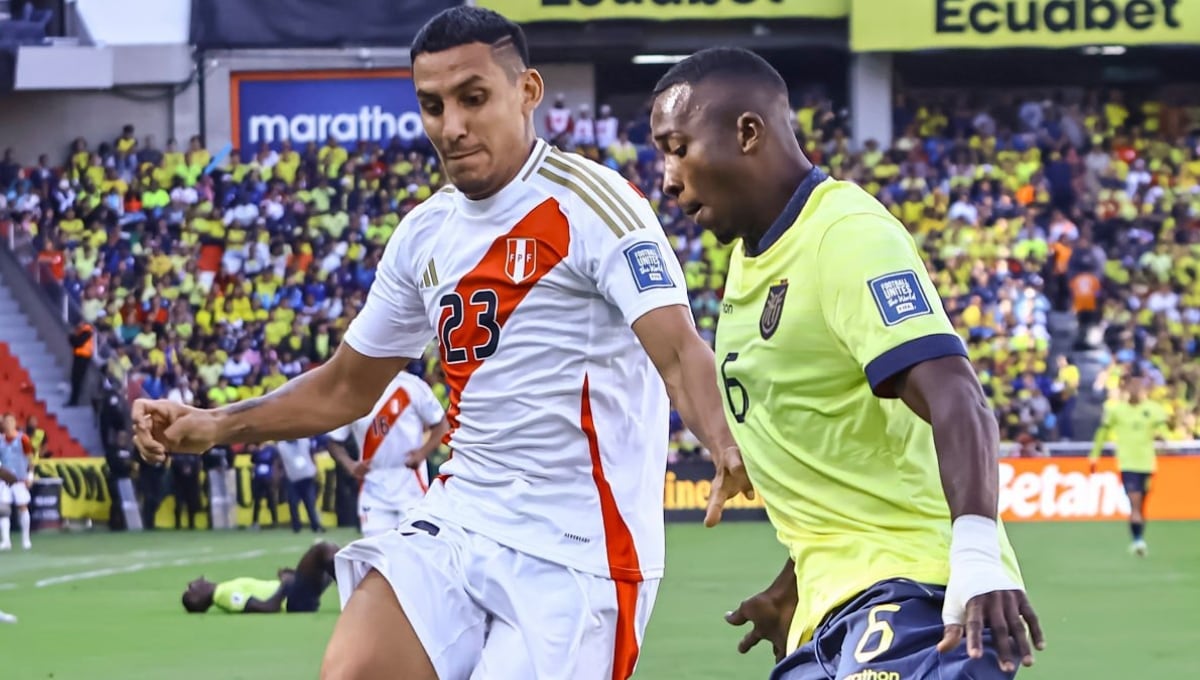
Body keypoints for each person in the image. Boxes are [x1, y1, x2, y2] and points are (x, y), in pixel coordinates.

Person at [131, 7, 750, 680]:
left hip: (578, 552)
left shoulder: (594, 205)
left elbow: (678, 349)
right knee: (352, 668)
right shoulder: (425, 235)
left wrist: (723, 442)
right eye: (432, 105)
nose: (450, 126)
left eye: (473, 98)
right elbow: (346, 386)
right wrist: (215, 424)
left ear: (528, 92)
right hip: (461, 516)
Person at [648, 48, 1044, 680]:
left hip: (917, 600)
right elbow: (844, 459)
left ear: (748, 133)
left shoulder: (846, 234)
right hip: (827, 619)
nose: (667, 177)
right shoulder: (752, 263)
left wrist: (976, 558)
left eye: (677, 147)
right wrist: (791, 583)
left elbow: (956, 396)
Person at [327, 368, 449, 537]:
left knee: (414, 549)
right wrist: (350, 466)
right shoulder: (353, 391)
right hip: (372, 482)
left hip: (409, 480)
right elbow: (334, 441)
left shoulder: (412, 386)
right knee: (376, 554)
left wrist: (422, 453)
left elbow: (442, 425)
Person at [1089, 375, 1167, 556]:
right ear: (1126, 389)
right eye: (1132, 387)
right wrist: (1094, 455)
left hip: (1147, 464)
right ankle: (1138, 542)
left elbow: (1163, 431)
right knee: (1135, 503)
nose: (1135, 391)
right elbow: (1102, 432)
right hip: (1127, 463)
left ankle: (1138, 538)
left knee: (1141, 506)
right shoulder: (1117, 411)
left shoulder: (1153, 410)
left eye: (1138, 387)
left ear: (1144, 390)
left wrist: (1163, 438)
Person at [182, 541, 339, 614]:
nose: (192, 582)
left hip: (293, 594)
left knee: (327, 560)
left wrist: (287, 579)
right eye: (190, 588)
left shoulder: (223, 589)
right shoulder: (224, 595)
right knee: (322, 550)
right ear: (196, 598)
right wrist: (285, 584)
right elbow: (267, 607)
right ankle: (353, 590)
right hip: (292, 600)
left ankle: (355, 588)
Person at [0, 413, 34, 550]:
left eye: (10, 422)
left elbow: (31, 459)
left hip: (19, 479)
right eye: (5, 422)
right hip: (4, 479)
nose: (8, 424)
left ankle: (26, 539)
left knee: (22, 507)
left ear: (15, 423)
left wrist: (30, 475)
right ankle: (6, 540)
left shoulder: (23, 439)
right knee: (3, 509)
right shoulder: (0, 440)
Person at [278, 437, 325, 534]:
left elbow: (311, 454)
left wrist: (315, 468)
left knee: (310, 503)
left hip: (307, 476)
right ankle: (296, 526)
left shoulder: (304, 440)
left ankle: (315, 525)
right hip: (293, 478)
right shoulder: (281, 445)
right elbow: (280, 462)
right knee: (293, 503)